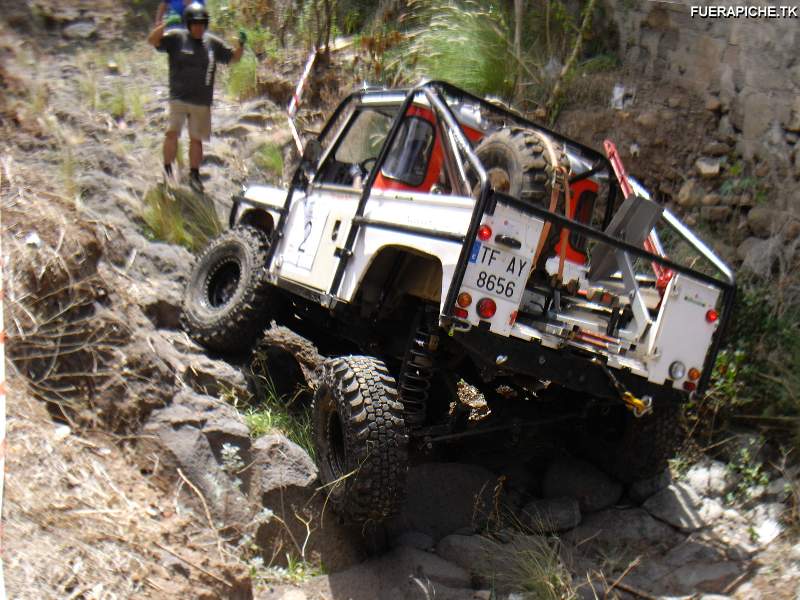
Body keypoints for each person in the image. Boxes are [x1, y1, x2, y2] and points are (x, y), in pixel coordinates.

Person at [147, 2, 245, 192]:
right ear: (188, 23)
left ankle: (194, 175)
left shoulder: (212, 43)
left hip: (201, 102)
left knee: (196, 140)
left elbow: (233, 58)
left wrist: (241, 45)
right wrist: (164, 26)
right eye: (195, 24)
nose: (198, 28)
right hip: (178, 99)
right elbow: (152, 41)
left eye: (202, 24)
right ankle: (167, 170)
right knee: (172, 134)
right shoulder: (176, 38)